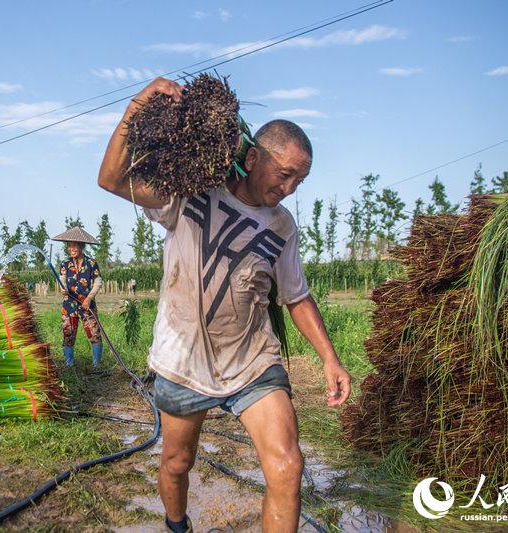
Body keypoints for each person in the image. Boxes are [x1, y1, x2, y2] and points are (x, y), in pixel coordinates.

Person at [97, 78, 351, 533]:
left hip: (252, 360)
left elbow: (296, 295)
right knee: (177, 463)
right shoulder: (192, 193)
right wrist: (141, 103)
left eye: (300, 179)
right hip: (182, 358)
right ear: (252, 157)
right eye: (285, 173)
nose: (290, 187)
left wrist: (330, 357)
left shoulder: (282, 226)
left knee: (287, 466)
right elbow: (112, 180)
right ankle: (178, 525)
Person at [52, 227, 104, 368]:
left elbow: (98, 281)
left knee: (95, 335)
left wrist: (89, 298)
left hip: (87, 305)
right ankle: (69, 365)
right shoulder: (65, 264)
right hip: (69, 305)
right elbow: (62, 279)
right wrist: (63, 289)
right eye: (69, 246)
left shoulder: (91, 263)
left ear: (81, 246)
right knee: (68, 335)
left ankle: (96, 366)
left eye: (74, 245)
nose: (71, 249)